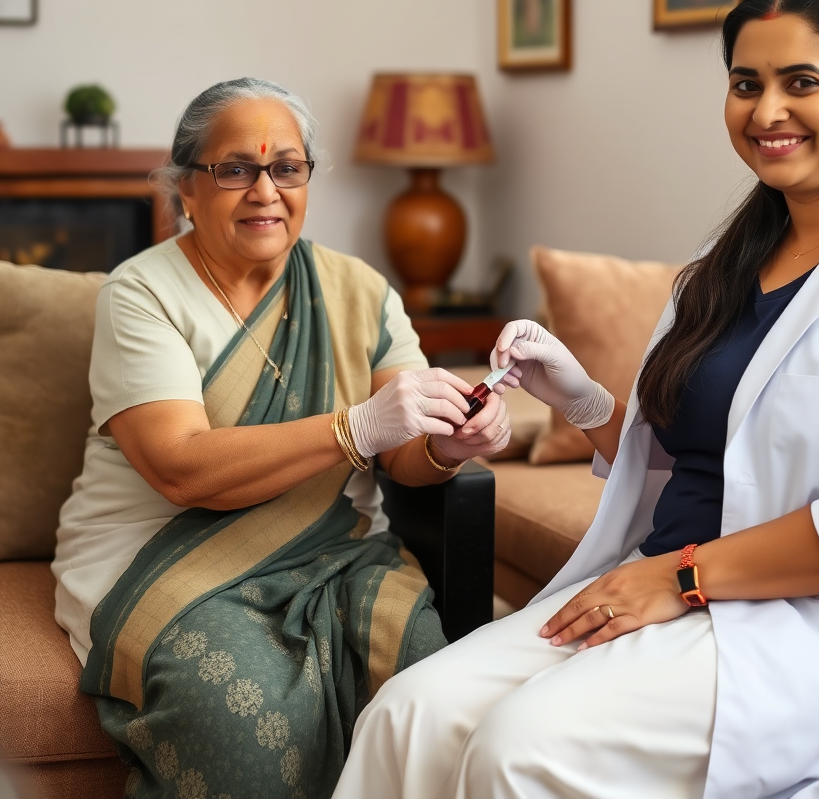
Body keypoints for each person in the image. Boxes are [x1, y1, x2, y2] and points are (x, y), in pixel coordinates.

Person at [333, 0, 819, 799]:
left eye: (801, 82)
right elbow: (700, 455)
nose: (766, 110)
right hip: (672, 583)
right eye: (746, 83)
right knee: (410, 711)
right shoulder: (723, 270)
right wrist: (580, 397)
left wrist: (681, 577)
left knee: (523, 750)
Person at [52, 78, 511, 799]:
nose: (266, 190)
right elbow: (181, 469)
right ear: (185, 190)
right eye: (236, 168)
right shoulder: (142, 293)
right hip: (165, 556)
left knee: (439, 685)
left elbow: (405, 455)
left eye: (287, 168)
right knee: (252, 724)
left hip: (335, 552)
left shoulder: (358, 289)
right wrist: (353, 426)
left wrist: (449, 444)